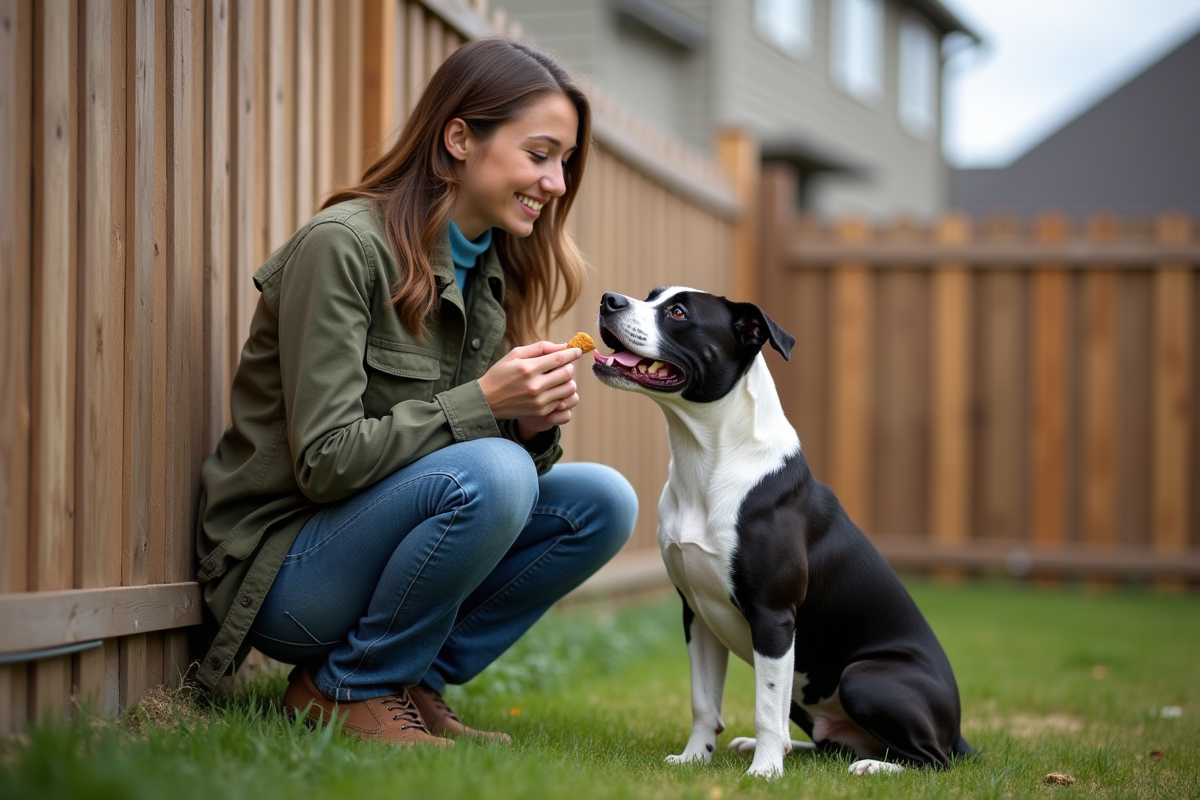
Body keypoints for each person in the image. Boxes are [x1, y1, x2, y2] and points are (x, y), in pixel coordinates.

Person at [193, 37, 637, 747]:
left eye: (565, 162)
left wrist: (527, 425)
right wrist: (488, 407)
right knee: (494, 471)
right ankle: (347, 686)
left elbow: (485, 483)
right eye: (540, 154)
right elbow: (326, 462)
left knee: (602, 502)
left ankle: (410, 679)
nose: (556, 183)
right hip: (286, 569)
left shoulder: (492, 268)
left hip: (373, 544)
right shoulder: (343, 247)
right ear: (459, 138)